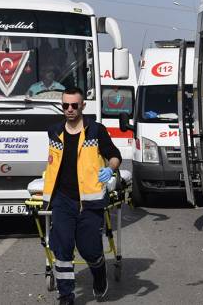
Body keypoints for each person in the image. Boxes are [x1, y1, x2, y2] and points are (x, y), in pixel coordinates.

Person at [41, 86, 122, 305]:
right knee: (62, 248)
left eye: (74, 105)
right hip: (62, 200)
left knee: (90, 250)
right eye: (65, 105)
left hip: (90, 201)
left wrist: (110, 168)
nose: (69, 109)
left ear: (82, 106)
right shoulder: (54, 132)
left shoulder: (95, 131)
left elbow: (114, 155)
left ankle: (99, 272)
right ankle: (66, 296)